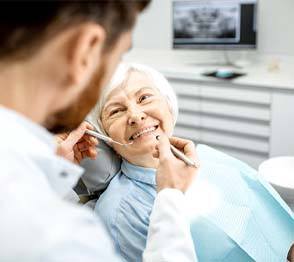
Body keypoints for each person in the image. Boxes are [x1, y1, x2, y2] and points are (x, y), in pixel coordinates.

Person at [0, 2, 198, 261]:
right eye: (119, 56)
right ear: (86, 49)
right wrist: (170, 198)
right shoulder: (68, 234)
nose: (136, 115)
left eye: (145, 97)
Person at [89, 62, 294, 261]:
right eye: (115, 111)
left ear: (168, 105)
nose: (135, 115)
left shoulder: (207, 157)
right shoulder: (119, 213)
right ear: (105, 136)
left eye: (144, 97)